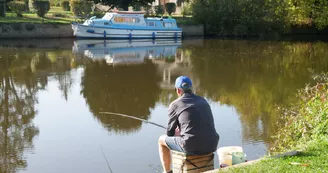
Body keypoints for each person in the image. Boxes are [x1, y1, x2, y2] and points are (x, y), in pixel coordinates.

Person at [158, 76, 220, 173]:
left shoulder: (175, 104)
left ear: (178, 90)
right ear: (191, 88)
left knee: (161, 140)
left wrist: (177, 132)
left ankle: (167, 172)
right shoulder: (203, 101)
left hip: (190, 145)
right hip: (212, 144)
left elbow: (169, 133)